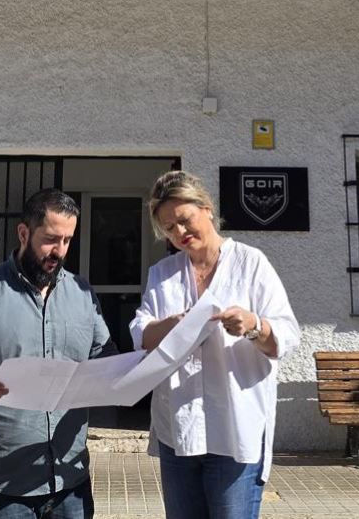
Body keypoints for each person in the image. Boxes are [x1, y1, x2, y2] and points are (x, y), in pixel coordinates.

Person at [0, 188, 114, 519]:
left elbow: (105, 359)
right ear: (24, 233)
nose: (59, 251)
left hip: (70, 483)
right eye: (51, 239)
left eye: (68, 241)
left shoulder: (83, 294)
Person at [129, 170, 300, 519]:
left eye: (184, 219)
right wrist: (173, 325)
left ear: (206, 209)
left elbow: (286, 334)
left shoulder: (251, 263)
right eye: (168, 227)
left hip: (234, 430)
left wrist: (254, 325)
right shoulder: (163, 273)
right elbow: (141, 333)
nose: (179, 232)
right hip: (178, 429)